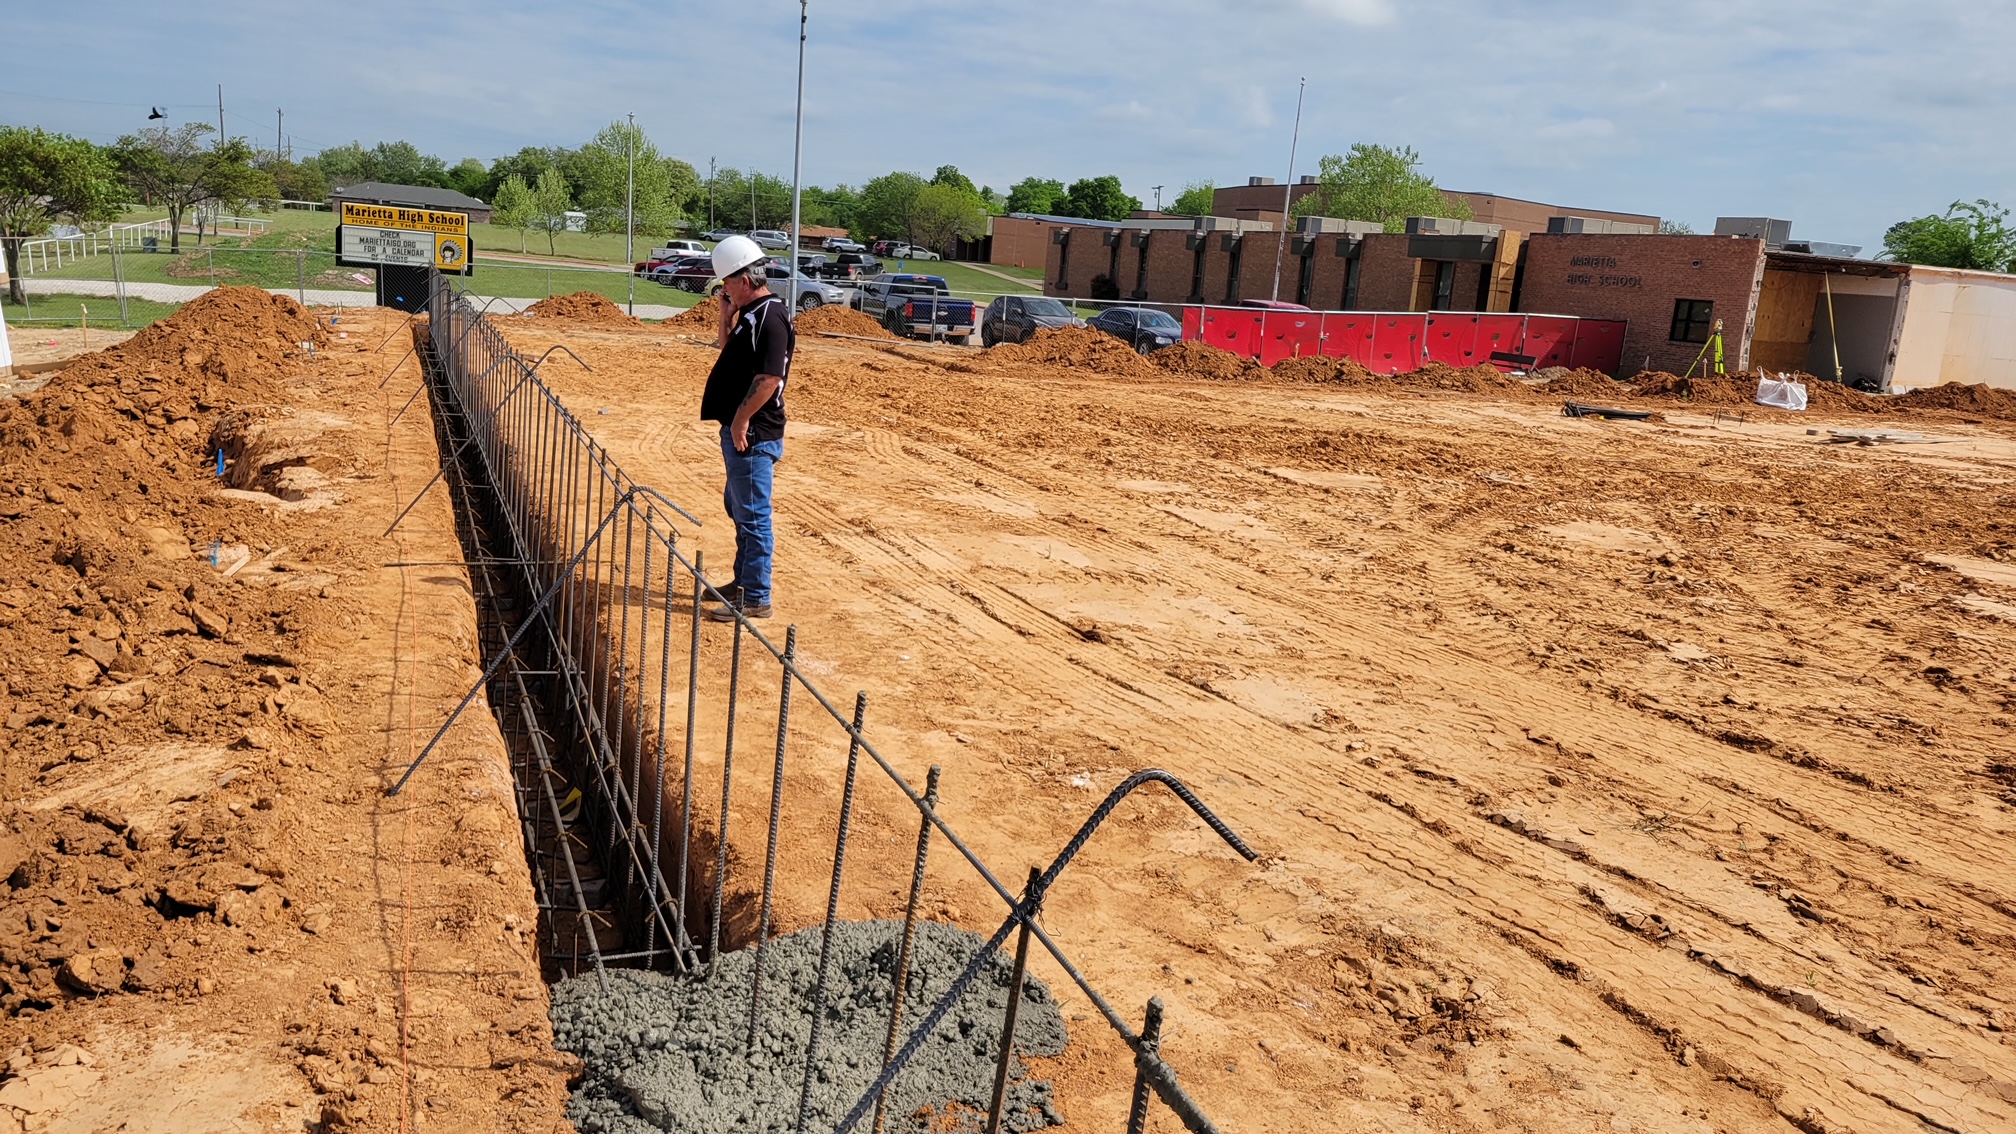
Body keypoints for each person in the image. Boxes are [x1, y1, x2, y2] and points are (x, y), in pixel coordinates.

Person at [699, 235, 792, 621]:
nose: (724, 290)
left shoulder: (770, 318)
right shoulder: (750, 316)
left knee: (753, 515)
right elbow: (729, 356)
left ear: (744, 279)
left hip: (752, 436)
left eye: (726, 284)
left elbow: (769, 379)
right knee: (737, 508)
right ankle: (742, 582)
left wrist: (740, 420)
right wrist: (725, 318)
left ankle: (755, 596)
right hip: (741, 434)